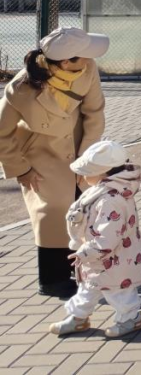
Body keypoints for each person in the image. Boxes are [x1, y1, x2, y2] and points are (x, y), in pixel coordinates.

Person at [0, 27, 108, 298]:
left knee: (82, 205)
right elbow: (2, 132)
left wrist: (87, 160)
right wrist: (20, 169)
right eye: (84, 54)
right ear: (65, 62)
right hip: (40, 152)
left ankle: (77, 270)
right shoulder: (20, 89)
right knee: (51, 212)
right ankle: (51, 279)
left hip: (79, 146)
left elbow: (94, 113)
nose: (90, 58)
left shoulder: (88, 68)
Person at [49, 140, 141, 338]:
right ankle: (78, 317)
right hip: (99, 258)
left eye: (87, 172)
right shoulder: (104, 190)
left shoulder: (110, 200)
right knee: (88, 288)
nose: (82, 176)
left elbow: (108, 236)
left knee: (119, 292)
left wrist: (87, 252)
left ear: (102, 172)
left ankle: (130, 318)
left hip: (115, 258)